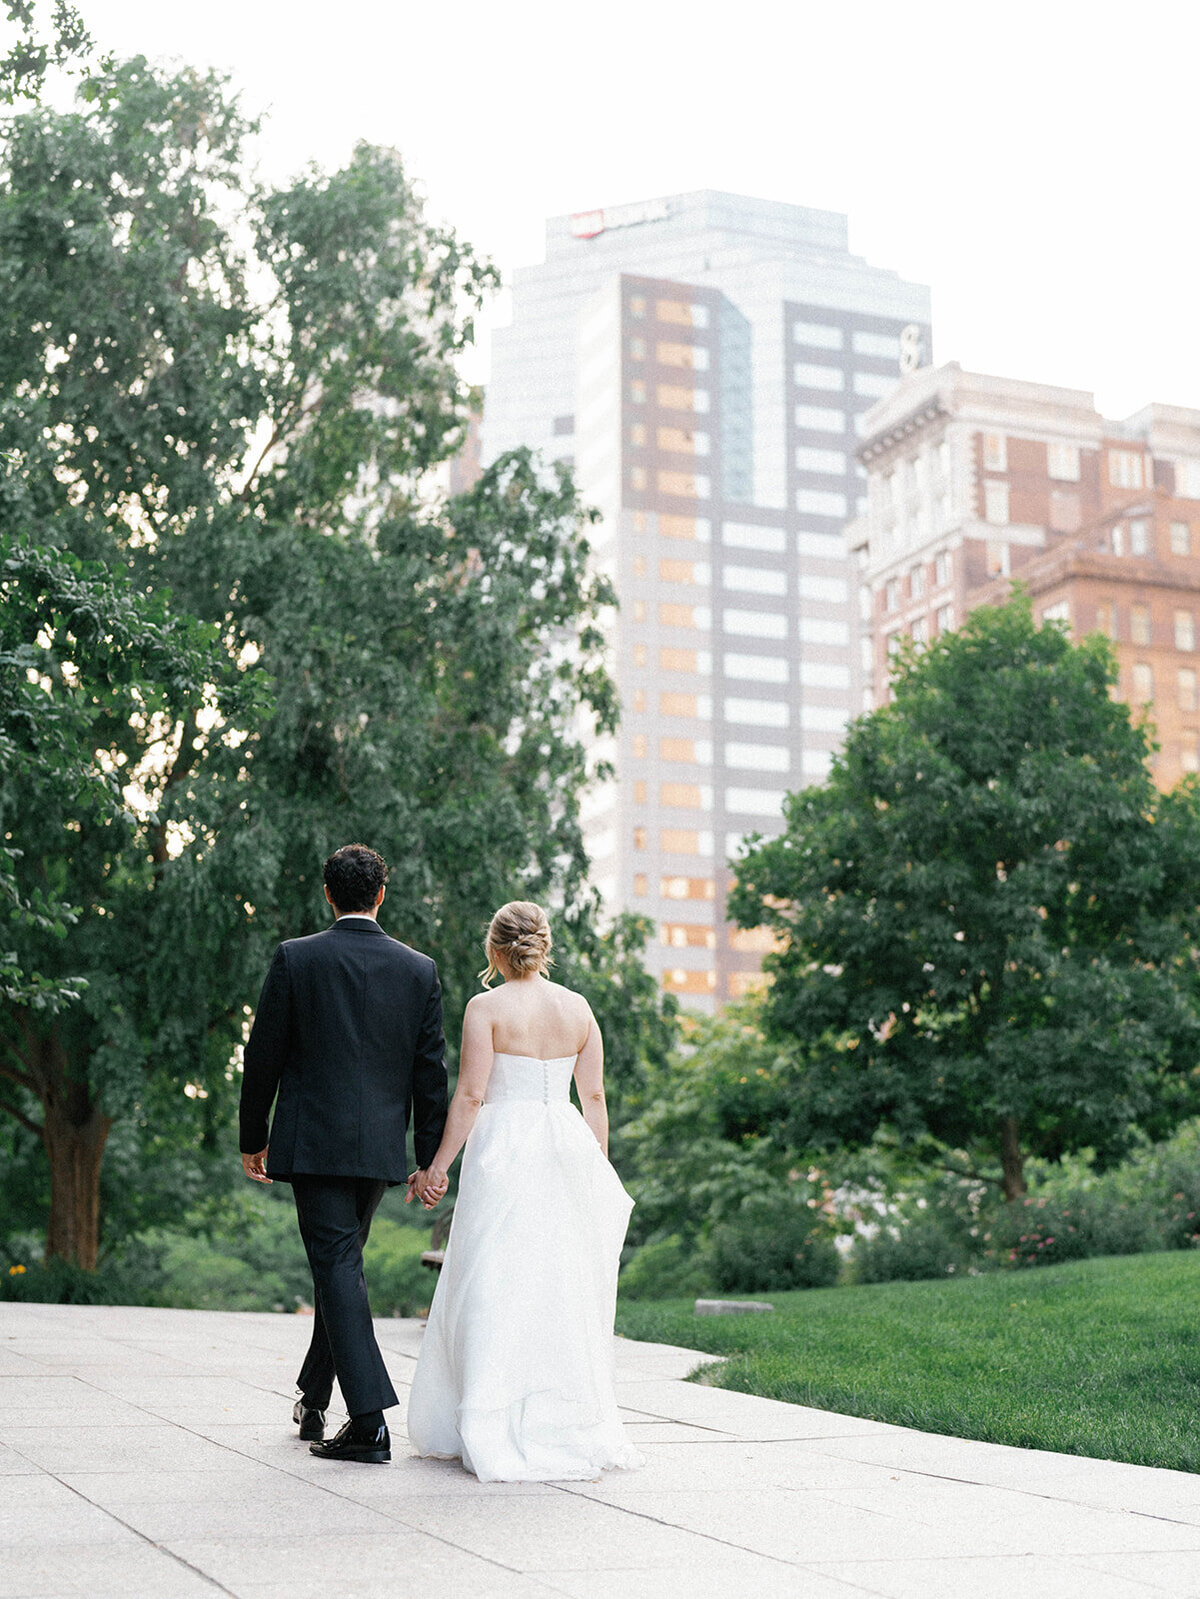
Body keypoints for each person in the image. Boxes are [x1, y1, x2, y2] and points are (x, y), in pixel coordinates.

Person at [406, 900, 643, 1482]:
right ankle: (559, 1422)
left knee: (493, 1276)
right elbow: (594, 1100)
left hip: (505, 1148)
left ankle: (489, 1419)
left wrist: (437, 1167)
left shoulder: (485, 1007)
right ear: (544, 945)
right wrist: (598, 1171)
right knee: (559, 1280)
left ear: (494, 949)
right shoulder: (579, 1008)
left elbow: (469, 1096)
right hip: (565, 1146)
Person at [239, 843, 448, 1465]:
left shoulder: (296, 959)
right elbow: (429, 1073)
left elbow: (263, 1055)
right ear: (380, 894)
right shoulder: (420, 970)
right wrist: (429, 1158)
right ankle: (312, 1397)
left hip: (312, 1143)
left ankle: (368, 1420)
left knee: (336, 1268)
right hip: (379, 1150)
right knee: (341, 1266)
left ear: (328, 894)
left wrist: (254, 1138)